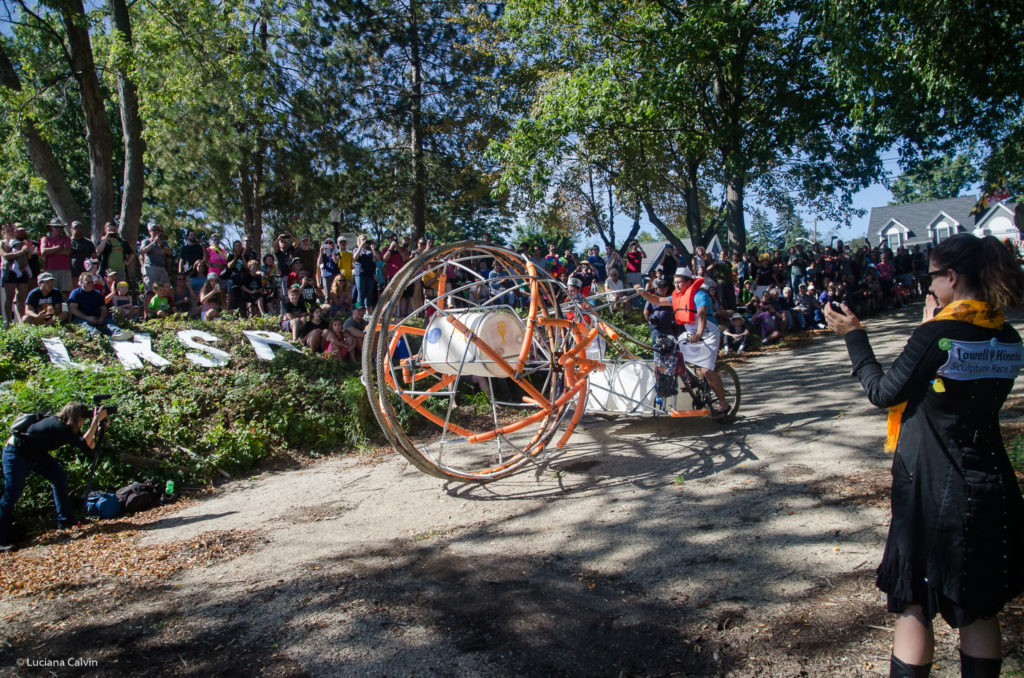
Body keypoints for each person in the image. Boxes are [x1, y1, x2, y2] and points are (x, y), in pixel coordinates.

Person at [825, 233, 1024, 678]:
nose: (927, 286)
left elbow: (884, 391)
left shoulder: (939, 334)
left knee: (914, 603)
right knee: (980, 607)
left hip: (933, 490)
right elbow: (952, 383)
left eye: (931, 276)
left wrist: (854, 336)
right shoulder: (1008, 335)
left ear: (951, 276)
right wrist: (928, 330)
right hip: (990, 484)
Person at [0, 402, 108, 550]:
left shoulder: (68, 427)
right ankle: (1, 540)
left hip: (36, 455)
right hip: (16, 454)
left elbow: (88, 446)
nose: (84, 421)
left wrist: (99, 428)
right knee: (12, 494)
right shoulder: (57, 425)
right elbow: (82, 442)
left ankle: (65, 522)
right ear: (75, 417)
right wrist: (95, 421)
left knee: (59, 477)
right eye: (84, 418)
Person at [635, 268, 729, 416]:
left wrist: (699, 332)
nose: (676, 285)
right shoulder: (677, 296)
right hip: (691, 333)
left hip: (707, 332)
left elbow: (702, 313)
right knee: (672, 354)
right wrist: (643, 293)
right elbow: (657, 300)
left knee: (707, 370)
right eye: (675, 282)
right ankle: (690, 381)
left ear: (688, 282)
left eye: (679, 282)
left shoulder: (699, 294)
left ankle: (723, 403)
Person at [68, 272, 133, 340]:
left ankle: (117, 333)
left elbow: (103, 308)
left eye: (92, 282)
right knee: (85, 325)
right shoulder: (75, 293)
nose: (91, 284)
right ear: (81, 282)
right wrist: (87, 318)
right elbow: (73, 309)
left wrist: (101, 318)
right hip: (82, 318)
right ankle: (95, 335)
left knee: (109, 322)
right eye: (88, 282)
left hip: (96, 318)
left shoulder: (97, 293)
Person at [39, 220, 73, 294]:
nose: (57, 229)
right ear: (51, 227)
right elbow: (43, 251)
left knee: (67, 292)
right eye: (55, 227)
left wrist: (51, 251)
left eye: (60, 227)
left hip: (65, 269)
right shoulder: (45, 239)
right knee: (50, 291)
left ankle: (69, 306)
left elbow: (67, 252)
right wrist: (59, 247)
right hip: (50, 269)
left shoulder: (66, 238)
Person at [139, 222, 172, 292]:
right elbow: (142, 252)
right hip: (150, 268)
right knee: (150, 291)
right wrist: (153, 243)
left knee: (165, 290)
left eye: (157, 229)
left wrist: (161, 246)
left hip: (162, 269)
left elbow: (170, 252)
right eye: (154, 229)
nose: (156, 231)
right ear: (149, 232)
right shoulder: (146, 241)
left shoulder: (164, 243)